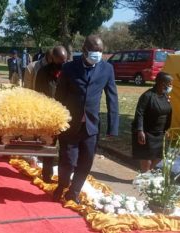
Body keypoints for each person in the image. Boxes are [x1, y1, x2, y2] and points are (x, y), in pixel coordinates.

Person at [53, 35, 119, 203]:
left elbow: (112, 98)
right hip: (70, 123)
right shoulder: (69, 68)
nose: (97, 54)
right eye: (94, 51)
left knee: (86, 161)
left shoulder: (107, 69)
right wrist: (56, 121)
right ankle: (62, 185)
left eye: (100, 51)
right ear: (84, 50)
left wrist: (113, 128)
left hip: (91, 126)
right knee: (68, 160)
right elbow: (59, 96)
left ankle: (73, 192)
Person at [34, 46, 68, 183]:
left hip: (66, 115)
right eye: (60, 61)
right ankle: (47, 175)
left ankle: (63, 177)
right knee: (49, 146)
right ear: (52, 58)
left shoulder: (69, 71)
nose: (62, 63)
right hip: (49, 114)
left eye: (64, 60)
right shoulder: (43, 72)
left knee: (66, 148)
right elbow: (38, 94)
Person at [132, 72, 173, 172]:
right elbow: (139, 113)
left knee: (161, 155)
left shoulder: (165, 96)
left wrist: (167, 129)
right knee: (147, 158)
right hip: (147, 132)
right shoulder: (147, 96)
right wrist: (140, 130)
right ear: (162, 83)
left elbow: (168, 112)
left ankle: (146, 175)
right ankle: (145, 175)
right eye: (169, 83)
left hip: (160, 132)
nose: (170, 86)